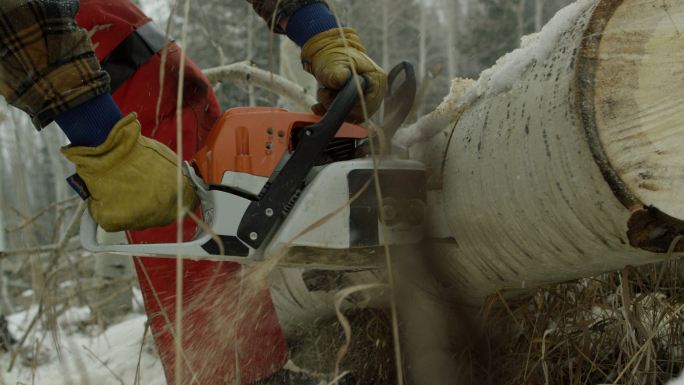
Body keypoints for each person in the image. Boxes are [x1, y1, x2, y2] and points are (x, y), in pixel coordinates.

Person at [0, 0, 386, 384]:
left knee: (207, 174)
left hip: (149, 69)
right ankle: (234, 376)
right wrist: (104, 142)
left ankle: (252, 368)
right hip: (85, 64)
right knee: (166, 197)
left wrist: (319, 31)